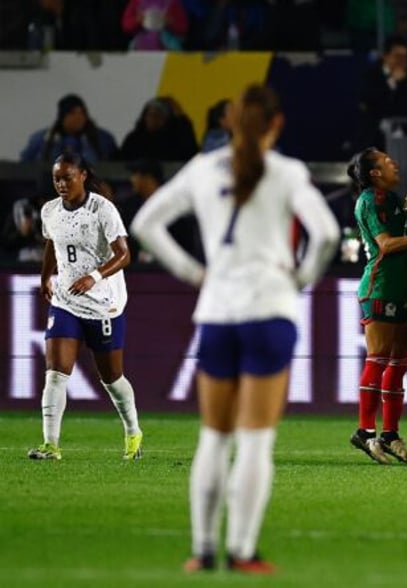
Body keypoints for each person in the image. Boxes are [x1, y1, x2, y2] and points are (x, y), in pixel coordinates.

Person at [130, 84, 339, 573]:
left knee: (214, 437)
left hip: (218, 314)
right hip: (270, 311)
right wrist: (304, 277)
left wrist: (193, 273)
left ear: (230, 122)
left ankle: (202, 550)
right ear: (276, 124)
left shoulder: (203, 170)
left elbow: (145, 223)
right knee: (255, 441)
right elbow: (326, 233)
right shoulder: (286, 172)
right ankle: (242, 552)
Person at [27, 152, 143, 462]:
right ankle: (51, 445)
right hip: (66, 302)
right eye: (56, 178)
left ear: (82, 176)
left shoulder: (102, 209)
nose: (61, 184)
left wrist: (94, 276)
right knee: (55, 373)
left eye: (67, 177)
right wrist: (45, 277)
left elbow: (124, 254)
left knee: (112, 379)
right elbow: (52, 242)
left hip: (103, 304)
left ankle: (133, 432)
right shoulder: (50, 210)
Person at [347, 147, 407, 465]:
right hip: (380, 288)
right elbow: (385, 245)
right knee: (378, 359)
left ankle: (389, 433)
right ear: (374, 173)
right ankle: (364, 430)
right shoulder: (370, 200)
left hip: (400, 289)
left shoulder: (390, 200)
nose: (394, 163)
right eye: (387, 162)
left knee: (399, 363)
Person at [20, 94, 118, 163]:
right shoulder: (42, 138)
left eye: (82, 113)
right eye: (72, 113)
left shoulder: (103, 139)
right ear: (62, 116)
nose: (78, 118)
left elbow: (113, 165)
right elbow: (25, 166)